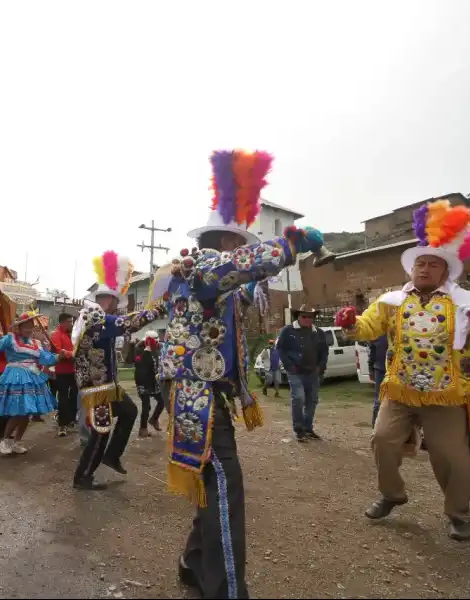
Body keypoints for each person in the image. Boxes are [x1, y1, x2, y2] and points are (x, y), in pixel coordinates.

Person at [153, 149, 335, 599]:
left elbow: (249, 285)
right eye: (244, 245)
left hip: (206, 392)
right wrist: (293, 243)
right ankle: (226, 589)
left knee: (212, 477)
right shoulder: (207, 265)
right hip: (197, 393)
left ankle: (194, 563)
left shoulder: (217, 282)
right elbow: (244, 267)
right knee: (223, 482)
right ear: (229, 244)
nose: (248, 251)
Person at [335, 198, 470, 541]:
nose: (424, 269)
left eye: (432, 265)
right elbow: (367, 328)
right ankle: (392, 494)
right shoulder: (391, 301)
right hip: (400, 390)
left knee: (454, 459)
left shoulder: (467, 302)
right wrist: (350, 324)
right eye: (420, 263)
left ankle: (459, 514)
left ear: (445, 271)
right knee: (382, 441)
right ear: (411, 269)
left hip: (446, 395)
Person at [72, 251, 165, 490]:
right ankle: (83, 476)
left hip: (106, 384)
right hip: (97, 387)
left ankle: (111, 456)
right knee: (101, 431)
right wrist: (160, 308)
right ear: (109, 300)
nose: (116, 307)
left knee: (129, 411)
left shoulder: (97, 316)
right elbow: (130, 323)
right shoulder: (95, 317)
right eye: (114, 302)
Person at [0, 311, 66, 455]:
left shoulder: (36, 343)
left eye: (31, 326)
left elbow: (46, 359)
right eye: (26, 327)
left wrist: (59, 357)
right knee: (18, 411)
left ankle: (17, 441)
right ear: (18, 328)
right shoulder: (10, 339)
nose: (29, 329)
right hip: (16, 376)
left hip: (32, 377)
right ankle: (5, 440)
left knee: (27, 412)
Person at [276, 305, 329, 443]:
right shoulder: (288, 331)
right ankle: (299, 429)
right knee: (298, 398)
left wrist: (320, 367)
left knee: (312, 401)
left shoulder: (319, 333)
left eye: (310, 317)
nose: (307, 319)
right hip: (295, 372)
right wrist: (289, 365)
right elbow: (280, 348)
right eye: (304, 316)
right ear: (298, 317)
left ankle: (308, 428)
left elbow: (324, 351)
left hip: (312, 372)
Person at [50, 312, 79, 437]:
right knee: (63, 398)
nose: (71, 324)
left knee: (75, 395)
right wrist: (72, 354)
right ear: (62, 322)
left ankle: (71, 419)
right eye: (69, 321)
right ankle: (62, 424)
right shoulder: (56, 334)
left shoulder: (72, 334)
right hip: (61, 371)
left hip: (73, 370)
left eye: (72, 321)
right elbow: (58, 351)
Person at [134, 331, 164, 436]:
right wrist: (147, 351)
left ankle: (154, 419)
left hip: (153, 381)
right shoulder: (139, 350)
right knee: (146, 406)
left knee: (162, 401)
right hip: (143, 381)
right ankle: (143, 429)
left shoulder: (157, 349)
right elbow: (141, 365)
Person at [368, 334, 388, 427]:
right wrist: (371, 369)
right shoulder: (378, 333)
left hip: (398, 371)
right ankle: (375, 428)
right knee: (379, 400)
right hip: (380, 370)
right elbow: (372, 352)